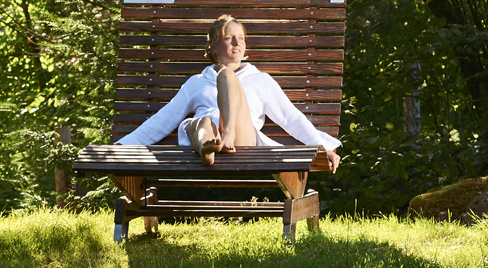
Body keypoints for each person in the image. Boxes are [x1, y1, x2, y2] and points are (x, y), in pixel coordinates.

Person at [117, 13, 342, 171]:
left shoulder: (261, 80)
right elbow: (165, 118)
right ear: (213, 47)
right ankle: (209, 146)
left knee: (226, 75)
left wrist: (325, 148)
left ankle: (225, 135)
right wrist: (124, 145)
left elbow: (290, 117)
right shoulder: (196, 82)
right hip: (204, 138)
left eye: (241, 38)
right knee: (200, 122)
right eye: (228, 38)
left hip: (241, 141)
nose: (237, 43)